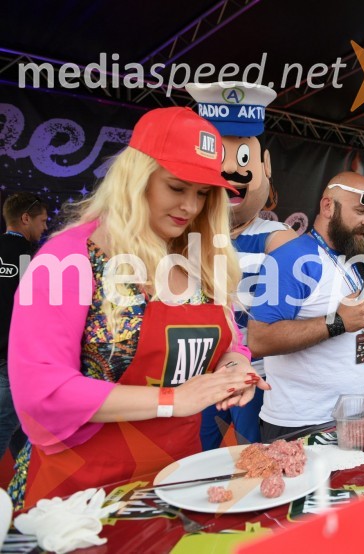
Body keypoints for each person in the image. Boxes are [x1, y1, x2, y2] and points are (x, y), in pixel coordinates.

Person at [7, 107, 269, 509]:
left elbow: (231, 343)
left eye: (202, 194)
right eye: (177, 187)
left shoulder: (201, 260)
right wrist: (173, 399)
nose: (190, 206)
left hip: (175, 482)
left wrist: (233, 369)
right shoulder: (68, 259)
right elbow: (41, 392)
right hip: (80, 495)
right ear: (136, 177)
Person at [187, 81, 297, 450]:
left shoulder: (275, 236)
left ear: (264, 166)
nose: (232, 172)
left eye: (244, 159)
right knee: (198, 453)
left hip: (256, 373)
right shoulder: (185, 233)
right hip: (199, 374)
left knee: (254, 453)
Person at [248, 172, 364, 441]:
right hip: (300, 424)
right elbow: (259, 339)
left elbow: (355, 320)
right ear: (328, 206)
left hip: (344, 419)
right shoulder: (292, 257)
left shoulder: (346, 260)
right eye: (361, 211)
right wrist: (337, 322)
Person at [1, 193, 48, 461]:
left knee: (21, 428)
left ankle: (25, 480)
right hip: (16, 358)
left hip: (8, 358)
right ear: (25, 218)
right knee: (6, 425)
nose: (44, 228)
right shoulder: (37, 258)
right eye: (42, 221)